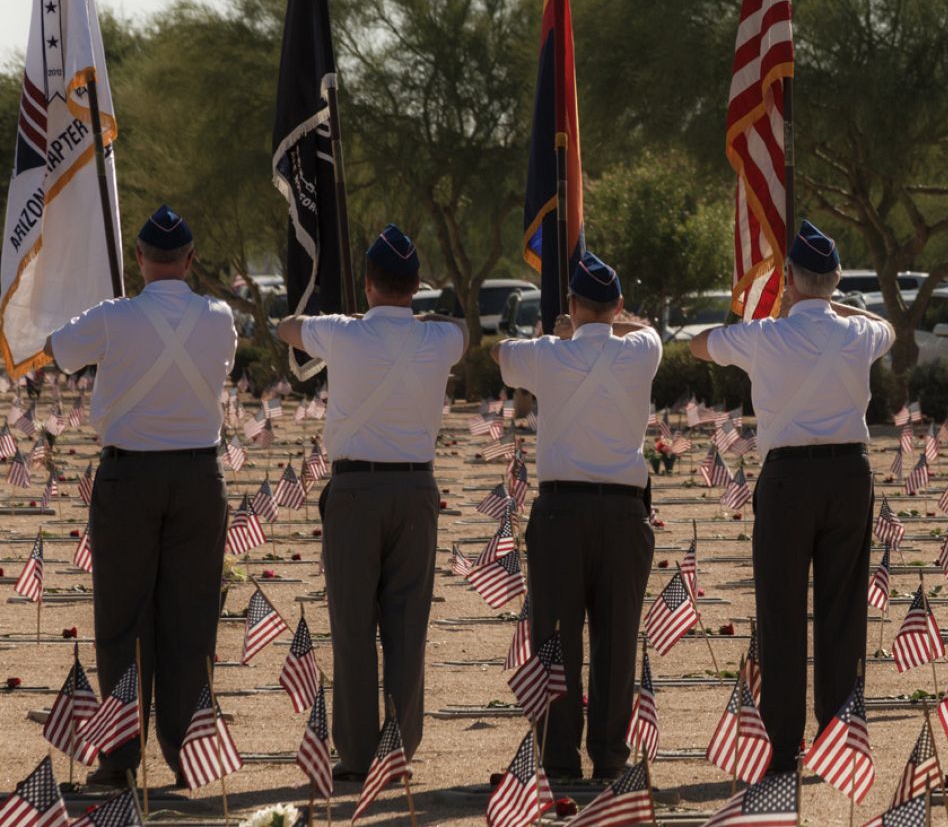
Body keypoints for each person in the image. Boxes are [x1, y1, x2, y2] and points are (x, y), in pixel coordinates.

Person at [690, 220, 894, 773]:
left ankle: (782, 748)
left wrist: (774, 314)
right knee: (842, 612)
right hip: (850, 473)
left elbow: (698, 346)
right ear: (834, 280)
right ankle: (838, 740)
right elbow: (885, 327)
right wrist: (832, 306)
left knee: (781, 614)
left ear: (788, 280)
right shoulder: (860, 333)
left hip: (787, 480)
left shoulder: (764, 335)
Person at [46, 205, 238, 789]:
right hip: (199, 479)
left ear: (138, 259)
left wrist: (106, 312)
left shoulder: (113, 316)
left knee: (123, 622)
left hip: (129, 479)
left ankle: (120, 757)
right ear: (190, 258)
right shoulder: (219, 316)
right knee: (191, 618)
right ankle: (187, 754)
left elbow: (59, 350)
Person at [276, 224, 466, 779]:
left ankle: (357, 754)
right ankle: (399, 749)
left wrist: (345, 322)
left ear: (367, 284)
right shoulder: (439, 339)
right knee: (408, 625)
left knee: (353, 626)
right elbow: (463, 332)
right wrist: (421, 319)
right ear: (417, 285)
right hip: (415, 491)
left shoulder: (343, 333)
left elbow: (287, 327)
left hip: (356, 491)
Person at [491, 251, 660, 781]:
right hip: (622, 513)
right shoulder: (642, 348)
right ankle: (609, 757)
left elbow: (501, 354)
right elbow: (647, 329)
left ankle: (560, 757)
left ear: (571, 304)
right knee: (616, 641)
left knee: (556, 639)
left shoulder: (547, 354)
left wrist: (564, 337)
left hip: (562, 513)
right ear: (618, 307)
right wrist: (603, 324)